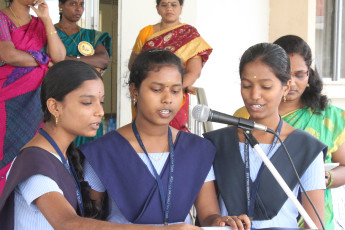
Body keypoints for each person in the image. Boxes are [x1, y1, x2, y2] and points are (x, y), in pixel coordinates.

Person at [0, 60, 206, 230]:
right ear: (55, 106)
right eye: (88, 103)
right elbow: (67, 223)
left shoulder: (62, 156)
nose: (99, 111)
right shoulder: (35, 162)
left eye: (101, 102)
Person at [79, 49, 250, 229]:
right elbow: (91, 220)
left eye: (176, 91)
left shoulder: (196, 149)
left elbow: (208, 216)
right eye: (156, 89)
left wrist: (220, 221)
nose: (167, 99)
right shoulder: (104, 151)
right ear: (134, 91)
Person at [204, 43, 326, 229]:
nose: (254, 95)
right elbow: (207, 218)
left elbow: (315, 225)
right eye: (246, 85)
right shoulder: (215, 144)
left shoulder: (306, 148)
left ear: (286, 88)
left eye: (266, 87)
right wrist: (218, 220)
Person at [234, 35, 345, 230]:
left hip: (315, 220)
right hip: (255, 220)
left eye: (300, 74)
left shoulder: (330, 118)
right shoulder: (244, 116)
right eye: (286, 74)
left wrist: (326, 178)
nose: (292, 82)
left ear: (309, 74)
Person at [0, 0, 65, 195]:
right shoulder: (3, 18)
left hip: (36, 100)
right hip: (8, 97)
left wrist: (46, 20)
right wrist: (44, 60)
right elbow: (9, 54)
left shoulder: (39, 22)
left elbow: (60, 56)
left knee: (33, 149)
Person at [128, 0, 212, 132]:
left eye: (173, 5)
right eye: (164, 5)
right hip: (150, 94)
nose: (169, 8)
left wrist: (174, 90)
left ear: (181, 7)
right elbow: (133, 65)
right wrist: (154, 89)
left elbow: (194, 72)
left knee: (174, 136)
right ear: (157, 8)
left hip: (175, 96)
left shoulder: (190, 35)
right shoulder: (146, 32)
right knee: (144, 132)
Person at [55, 0, 112, 147]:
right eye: (73, 4)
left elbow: (103, 59)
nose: (78, 9)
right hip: (60, 97)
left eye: (81, 4)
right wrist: (89, 62)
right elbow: (50, 61)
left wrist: (69, 59)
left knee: (88, 152)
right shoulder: (51, 34)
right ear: (61, 5)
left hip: (89, 100)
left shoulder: (91, 35)